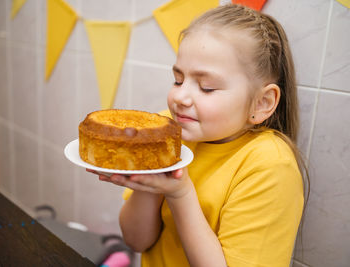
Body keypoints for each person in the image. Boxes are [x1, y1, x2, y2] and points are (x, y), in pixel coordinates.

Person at [88, 4, 309, 267]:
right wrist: (149, 184)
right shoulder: (171, 130)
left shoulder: (269, 167)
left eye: (206, 87)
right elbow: (137, 241)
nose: (180, 97)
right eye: (178, 80)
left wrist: (180, 194)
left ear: (262, 103)